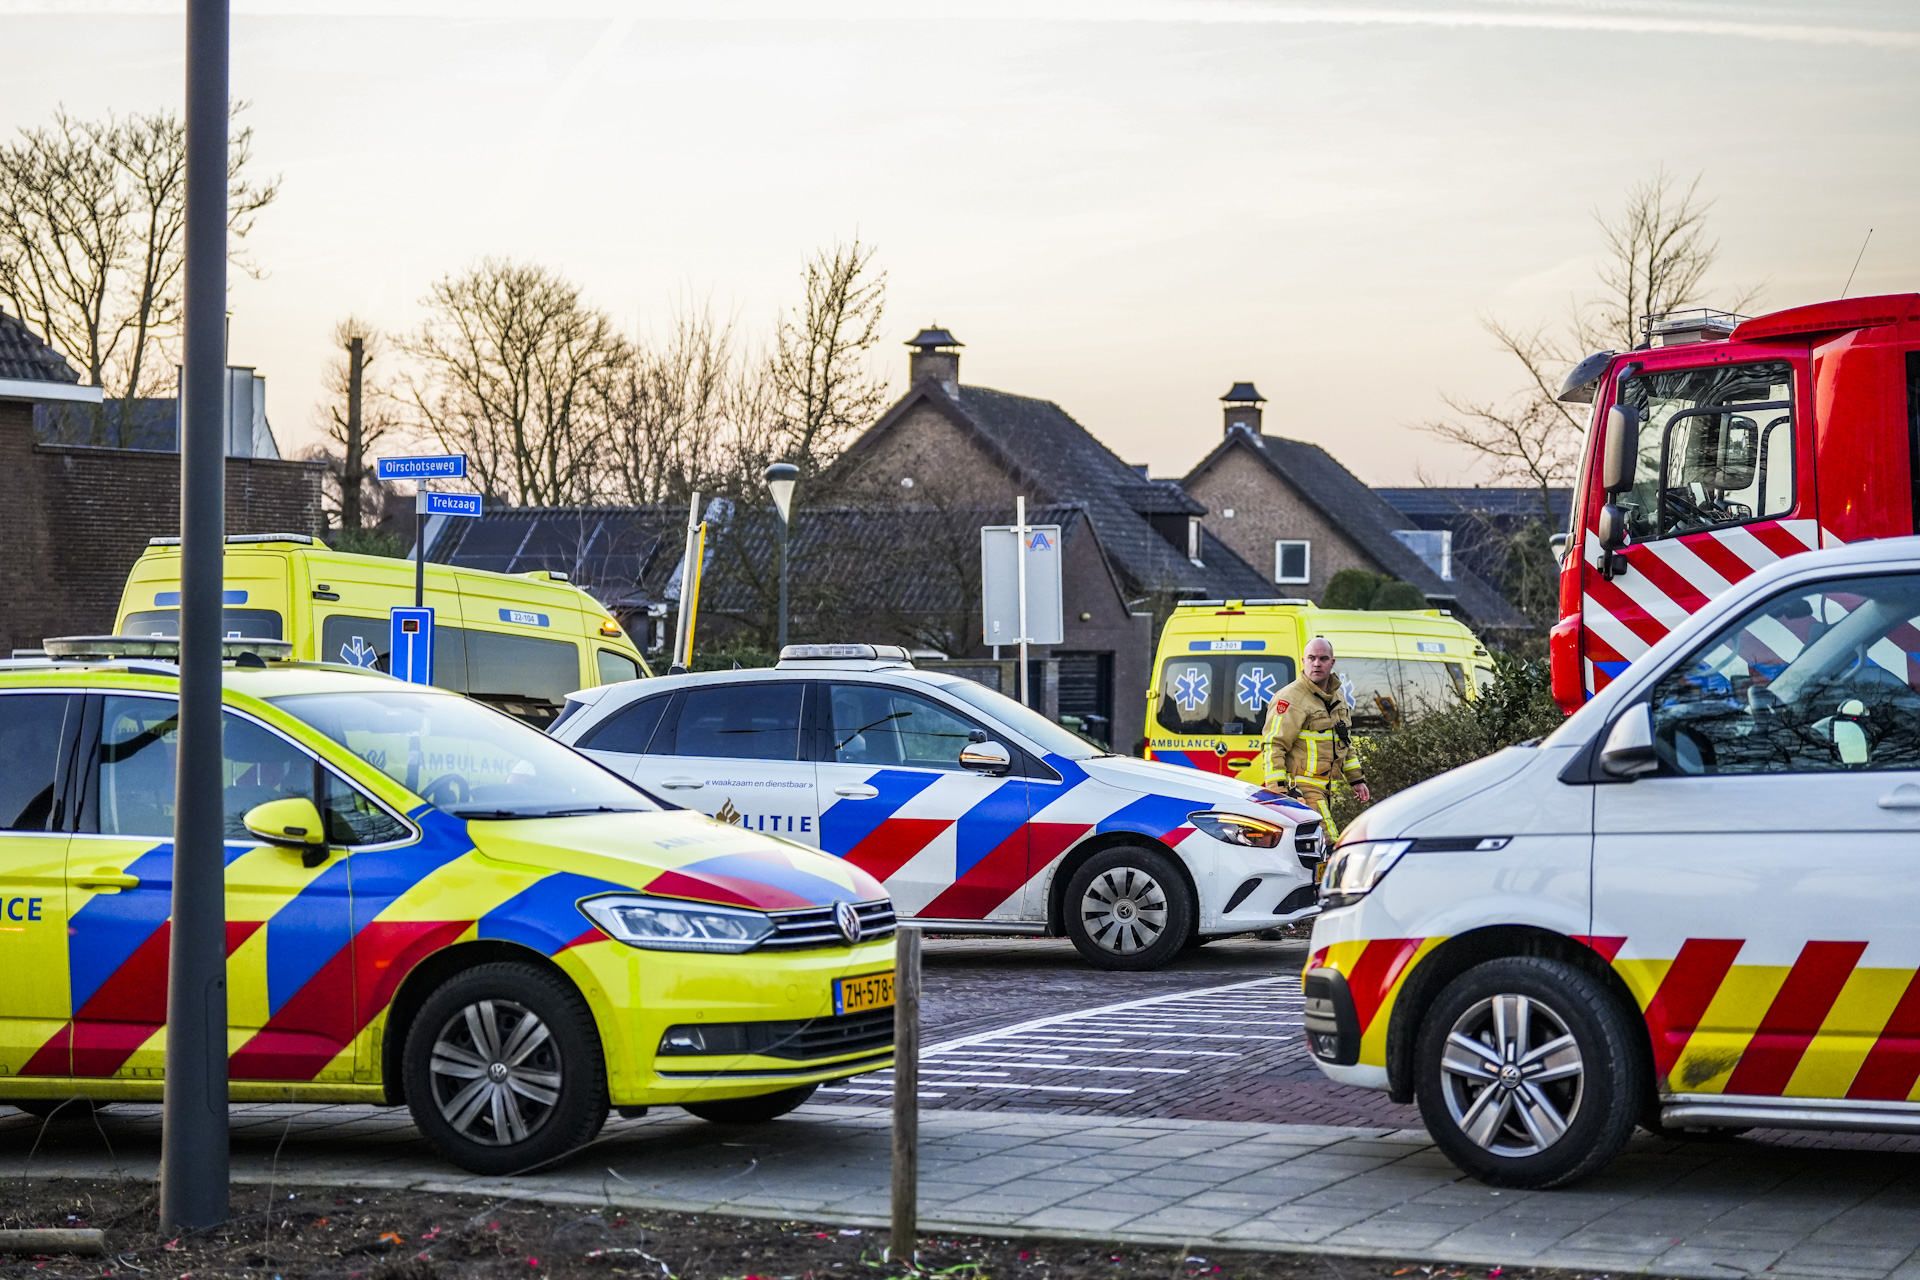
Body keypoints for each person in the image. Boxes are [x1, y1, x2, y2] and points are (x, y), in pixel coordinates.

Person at [1262, 635, 1370, 836]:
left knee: (1312, 846)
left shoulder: (1337, 697)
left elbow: (1344, 742)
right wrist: (1278, 792)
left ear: (1332, 662)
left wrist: (1356, 780)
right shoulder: (1290, 699)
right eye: (1311, 658)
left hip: (1326, 790)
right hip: (1301, 790)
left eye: (1323, 658)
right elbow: (1273, 745)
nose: (1317, 664)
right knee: (1329, 840)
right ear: (1303, 661)